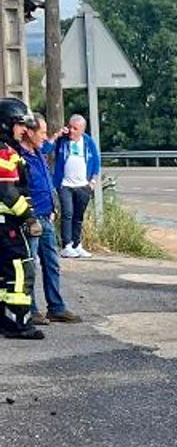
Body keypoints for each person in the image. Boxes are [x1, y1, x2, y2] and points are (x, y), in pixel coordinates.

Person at [22, 114, 81, 325]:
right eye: (42, 132)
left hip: (46, 217)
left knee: (52, 264)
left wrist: (56, 136)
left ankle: (56, 307)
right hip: (30, 219)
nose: (44, 137)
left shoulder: (38, 151)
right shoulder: (19, 156)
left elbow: (48, 146)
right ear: (29, 132)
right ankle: (31, 310)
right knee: (30, 267)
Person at [0, 98, 43, 340]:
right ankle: (22, 323)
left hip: (3, 225)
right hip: (9, 225)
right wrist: (28, 217)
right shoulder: (4, 151)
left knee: (3, 274)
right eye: (19, 124)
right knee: (20, 270)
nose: (24, 130)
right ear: (6, 125)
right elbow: (6, 191)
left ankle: (3, 321)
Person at [53, 113, 101, 258]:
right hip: (65, 184)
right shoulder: (63, 141)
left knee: (78, 216)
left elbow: (96, 161)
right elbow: (46, 148)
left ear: (82, 130)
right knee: (67, 213)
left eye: (75, 128)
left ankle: (76, 244)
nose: (71, 131)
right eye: (70, 127)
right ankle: (66, 245)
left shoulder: (88, 142)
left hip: (83, 185)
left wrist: (92, 182)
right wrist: (58, 135)